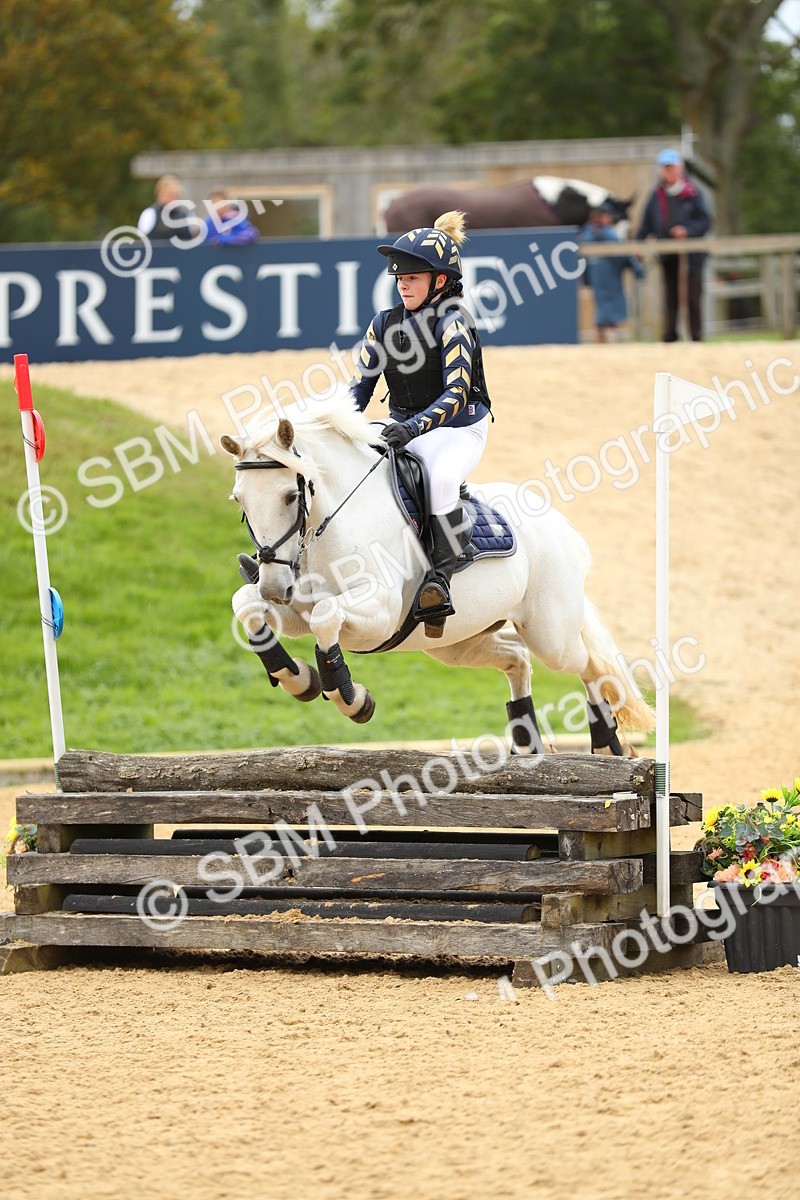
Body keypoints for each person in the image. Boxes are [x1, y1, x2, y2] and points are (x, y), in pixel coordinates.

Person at [349, 210, 491, 637]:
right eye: (399, 278)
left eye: (412, 277)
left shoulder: (456, 323)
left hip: (457, 428)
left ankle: (439, 583)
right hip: (401, 425)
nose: (402, 284)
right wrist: (334, 430)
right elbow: (359, 390)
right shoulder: (383, 324)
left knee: (441, 476)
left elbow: (457, 394)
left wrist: (411, 429)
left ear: (441, 281)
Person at [635, 149, 712, 342]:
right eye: (665, 168)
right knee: (670, 298)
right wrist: (638, 244)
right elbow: (646, 225)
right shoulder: (656, 196)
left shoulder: (693, 193)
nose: (668, 172)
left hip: (691, 256)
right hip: (668, 255)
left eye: (672, 167)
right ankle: (670, 337)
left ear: (680, 168)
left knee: (693, 296)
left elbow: (705, 221)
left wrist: (687, 230)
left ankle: (696, 337)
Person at [582, 202, 644, 342]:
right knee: (612, 305)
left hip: (597, 277)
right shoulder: (609, 234)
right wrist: (638, 269)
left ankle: (601, 332)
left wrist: (586, 279)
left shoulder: (587, 234)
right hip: (610, 277)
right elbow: (623, 254)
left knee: (602, 304)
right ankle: (609, 333)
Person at [137, 175, 199, 242]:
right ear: (159, 194)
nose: (172, 199)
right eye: (168, 195)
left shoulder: (187, 215)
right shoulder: (149, 214)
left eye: (175, 195)